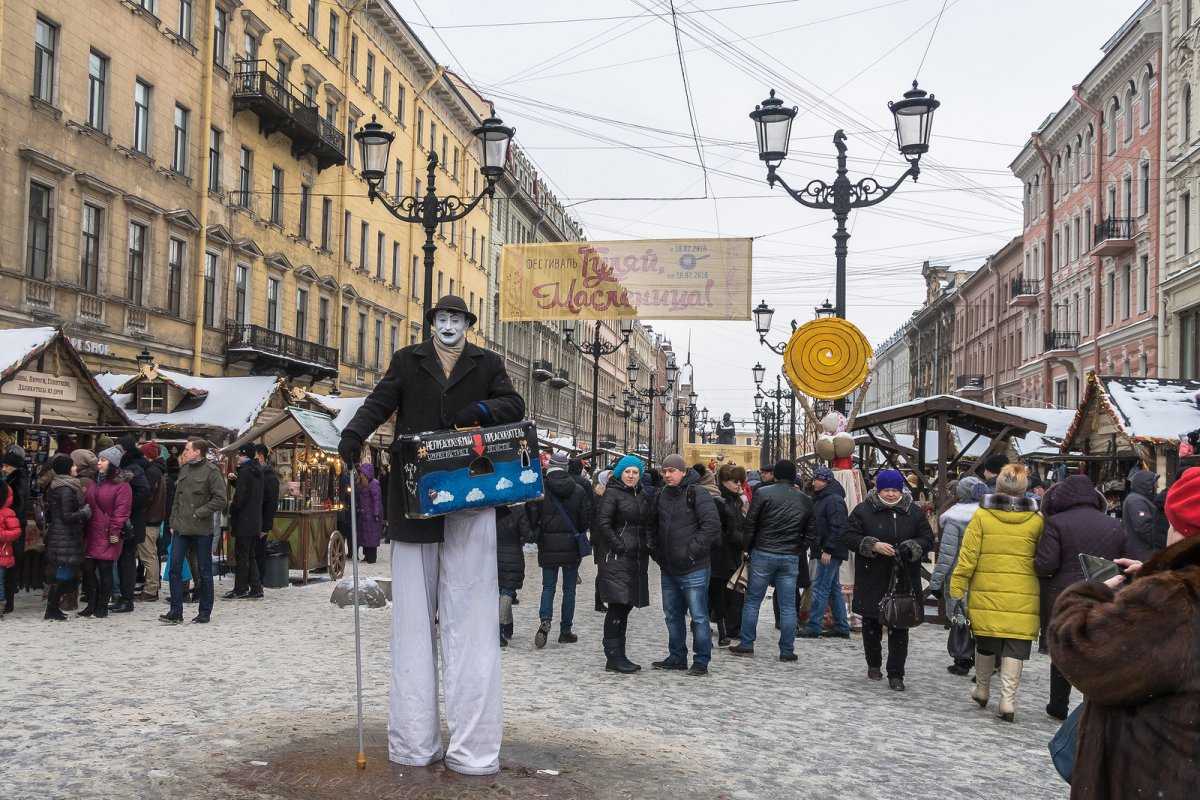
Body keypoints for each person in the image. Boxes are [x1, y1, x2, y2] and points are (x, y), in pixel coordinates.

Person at [338, 295, 525, 776]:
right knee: (414, 620)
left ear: (466, 324)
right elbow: (380, 401)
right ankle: (414, 741)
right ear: (431, 324)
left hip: (469, 492)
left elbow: (514, 405)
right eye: (441, 319)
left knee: (471, 615)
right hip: (416, 497)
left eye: (456, 319)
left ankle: (473, 748)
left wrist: (482, 408)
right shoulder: (407, 360)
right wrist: (354, 435)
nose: (448, 326)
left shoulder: (488, 363)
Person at [1046, 466, 1200, 799]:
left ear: (1183, 529)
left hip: (1153, 775)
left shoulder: (1175, 601)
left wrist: (1085, 594)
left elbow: (1081, 649)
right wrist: (1152, 577)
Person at [949, 464, 1044, 721]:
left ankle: (982, 689)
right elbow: (1044, 559)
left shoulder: (982, 516)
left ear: (998, 486)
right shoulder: (1036, 521)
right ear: (1025, 489)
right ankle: (1008, 702)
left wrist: (957, 586)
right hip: (1023, 594)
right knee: (1015, 644)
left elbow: (967, 557)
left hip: (986, 591)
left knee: (987, 641)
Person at [1034, 473, 1125, 720]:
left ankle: (1058, 704)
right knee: (1096, 648)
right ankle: (1090, 704)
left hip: (1065, 596)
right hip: (1104, 593)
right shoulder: (1114, 525)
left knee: (1063, 647)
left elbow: (1046, 564)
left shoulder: (1056, 523)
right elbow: (1123, 562)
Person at [844, 468, 933, 691]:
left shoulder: (913, 512)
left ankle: (896, 674)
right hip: (872, 575)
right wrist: (871, 545)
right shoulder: (864, 511)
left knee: (900, 625)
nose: (891, 494)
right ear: (878, 490)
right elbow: (848, 536)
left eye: (895, 490)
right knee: (872, 623)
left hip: (903, 577)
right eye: (887, 490)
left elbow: (927, 538)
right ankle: (874, 664)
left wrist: (913, 547)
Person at [730, 459, 815, 662]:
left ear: (775, 474)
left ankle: (747, 643)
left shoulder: (763, 493)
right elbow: (811, 533)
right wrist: (797, 549)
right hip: (789, 555)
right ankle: (786, 649)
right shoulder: (805, 500)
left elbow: (751, 524)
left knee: (752, 601)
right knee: (787, 606)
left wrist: (747, 549)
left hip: (763, 552)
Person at [647, 454, 720, 676]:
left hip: (694, 567)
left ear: (682, 471)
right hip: (668, 567)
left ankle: (701, 660)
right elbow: (652, 527)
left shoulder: (697, 493)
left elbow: (711, 526)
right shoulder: (660, 495)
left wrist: (691, 553)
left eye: (672, 471)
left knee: (698, 616)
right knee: (672, 614)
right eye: (665, 471)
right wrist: (656, 552)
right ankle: (677, 655)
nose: (668, 475)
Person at [595, 455, 651, 674]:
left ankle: (620, 654)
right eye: (627, 471)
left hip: (635, 557)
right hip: (617, 557)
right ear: (620, 473)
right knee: (618, 606)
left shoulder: (641, 494)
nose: (631, 476)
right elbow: (603, 522)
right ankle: (613, 656)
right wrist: (618, 545)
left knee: (626, 605)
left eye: (635, 472)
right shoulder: (613, 493)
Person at [162, 437, 227, 624]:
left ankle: (204, 612)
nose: (185, 452)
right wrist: (173, 522)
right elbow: (177, 499)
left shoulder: (212, 472)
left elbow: (221, 499)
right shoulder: (185, 469)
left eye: (188, 449)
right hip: (181, 529)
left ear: (198, 451)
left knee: (204, 571)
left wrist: (200, 512)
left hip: (201, 530)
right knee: (174, 569)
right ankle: (176, 611)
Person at [527, 455, 589, 648]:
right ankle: (565, 630)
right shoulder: (578, 490)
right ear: (566, 467)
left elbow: (530, 514)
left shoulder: (540, 488)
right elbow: (585, 519)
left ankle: (545, 620)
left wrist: (539, 533)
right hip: (571, 545)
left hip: (548, 544)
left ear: (551, 466)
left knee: (548, 587)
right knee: (569, 589)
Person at [929, 475, 985, 674]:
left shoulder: (955, 518)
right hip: (984, 576)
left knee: (960, 617)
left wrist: (936, 582)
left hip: (959, 575)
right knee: (981, 618)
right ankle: (986, 660)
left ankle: (962, 659)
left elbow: (947, 555)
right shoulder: (988, 516)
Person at [799, 466, 851, 640]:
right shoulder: (824, 498)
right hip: (826, 549)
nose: (814, 482)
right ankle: (842, 626)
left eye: (818, 479)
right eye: (815, 479)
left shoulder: (833, 500)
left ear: (826, 481)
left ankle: (814, 626)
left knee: (821, 588)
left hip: (828, 551)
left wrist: (828, 549)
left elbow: (838, 526)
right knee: (833, 589)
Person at [82, 446, 132, 621]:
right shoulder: (96, 481)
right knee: (88, 569)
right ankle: (92, 603)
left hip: (108, 533)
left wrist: (115, 531)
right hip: (92, 531)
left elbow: (121, 511)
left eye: (103, 460)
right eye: (99, 459)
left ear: (112, 463)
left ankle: (102, 605)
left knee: (105, 570)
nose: (99, 463)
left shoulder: (122, 486)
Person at [42, 454, 91, 621]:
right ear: (67, 469)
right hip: (64, 537)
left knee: (66, 574)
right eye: (73, 465)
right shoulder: (65, 489)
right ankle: (52, 609)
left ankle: (53, 607)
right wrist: (84, 512)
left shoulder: (59, 485)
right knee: (65, 575)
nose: (76, 468)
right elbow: (67, 515)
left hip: (62, 535)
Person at [111, 436, 150, 613]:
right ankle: (123, 597)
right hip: (127, 521)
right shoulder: (127, 467)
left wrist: (126, 506)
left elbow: (144, 491)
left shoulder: (133, 469)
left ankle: (127, 599)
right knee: (123, 560)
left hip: (131, 523)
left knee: (126, 560)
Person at [711, 464, 746, 646]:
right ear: (724, 482)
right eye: (735, 481)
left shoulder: (735, 501)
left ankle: (729, 629)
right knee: (720, 594)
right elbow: (729, 531)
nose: (739, 484)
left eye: (740, 481)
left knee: (728, 593)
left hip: (731, 554)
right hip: (721, 555)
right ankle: (725, 630)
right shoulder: (721, 502)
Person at [226, 443, 264, 599]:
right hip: (254, 519)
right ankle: (256, 588)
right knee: (250, 555)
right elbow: (250, 491)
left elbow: (240, 498)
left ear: (245, 455)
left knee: (242, 555)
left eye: (239, 455)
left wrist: (231, 509)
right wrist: (236, 481)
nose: (237, 457)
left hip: (244, 520)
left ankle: (241, 588)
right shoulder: (257, 471)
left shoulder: (245, 472)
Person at [496, 503, 532, 647]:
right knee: (507, 592)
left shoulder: (493, 508)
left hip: (494, 554)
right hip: (514, 555)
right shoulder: (519, 509)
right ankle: (498, 629)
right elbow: (527, 534)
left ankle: (507, 626)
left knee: (502, 592)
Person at [136, 442, 166, 602]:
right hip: (153, 517)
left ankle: (151, 589)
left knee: (149, 555)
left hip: (148, 518)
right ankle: (151, 586)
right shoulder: (157, 470)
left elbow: (146, 496)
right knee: (150, 554)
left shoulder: (151, 472)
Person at [1, 451, 28, 614]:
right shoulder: (14, 478)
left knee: (9, 566)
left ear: (13, 467)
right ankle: (7, 601)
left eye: (5, 466)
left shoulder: (17, 481)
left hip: (10, 528)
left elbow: (17, 505)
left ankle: (8, 602)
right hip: (11, 526)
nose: (3, 469)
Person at [1122, 468, 1164, 561]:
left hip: (1142, 552)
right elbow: (1143, 527)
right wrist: (1160, 541)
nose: (1157, 487)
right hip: (1142, 554)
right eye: (1155, 483)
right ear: (1147, 485)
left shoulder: (1138, 499)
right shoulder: (1136, 501)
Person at [255, 444, 280, 572]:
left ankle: (258, 583)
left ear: (260, 456)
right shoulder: (256, 473)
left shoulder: (270, 477)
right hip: (253, 521)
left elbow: (271, 504)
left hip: (261, 523)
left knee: (258, 553)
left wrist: (265, 527)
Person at [353, 462, 383, 564]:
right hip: (365, 515)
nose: (360, 474)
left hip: (372, 515)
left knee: (372, 537)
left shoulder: (374, 484)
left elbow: (376, 500)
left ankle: (371, 557)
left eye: (362, 473)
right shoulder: (363, 484)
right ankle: (366, 555)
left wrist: (376, 513)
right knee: (365, 537)